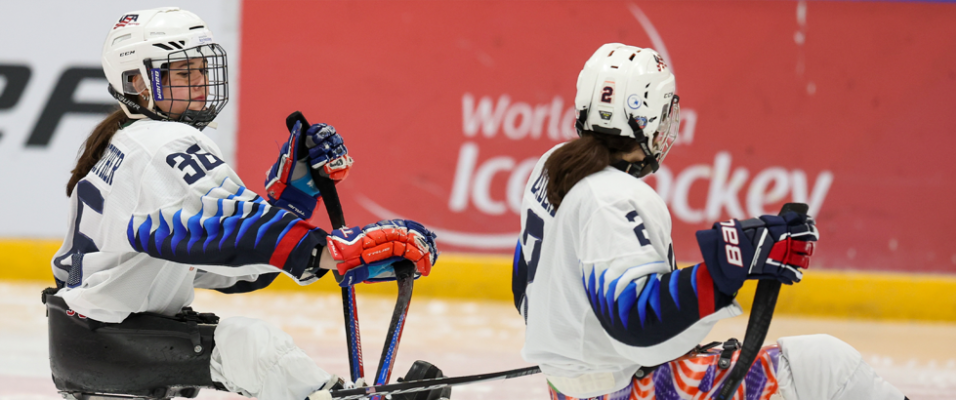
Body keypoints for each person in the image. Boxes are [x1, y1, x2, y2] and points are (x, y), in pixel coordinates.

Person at [51, 7, 437, 400]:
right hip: (110, 344)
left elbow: (230, 260)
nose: (200, 83)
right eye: (184, 73)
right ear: (137, 83)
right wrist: (331, 251)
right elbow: (225, 228)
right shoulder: (161, 143)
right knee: (252, 348)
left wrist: (294, 200)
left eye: (201, 69)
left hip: (92, 343)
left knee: (248, 347)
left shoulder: (127, 143)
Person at [514, 43, 907, 400]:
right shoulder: (613, 197)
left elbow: (527, 287)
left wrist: (571, 351)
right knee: (827, 365)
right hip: (619, 393)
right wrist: (728, 266)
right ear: (650, 118)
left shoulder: (553, 166)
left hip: (575, 388)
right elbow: (637, 326)